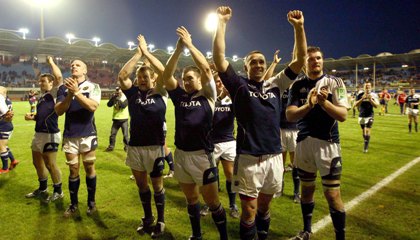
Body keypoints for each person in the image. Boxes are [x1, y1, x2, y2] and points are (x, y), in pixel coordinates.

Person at [213, 6, 307, 240]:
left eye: (261, 62)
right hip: (248, 159)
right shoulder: (239, 85)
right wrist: (222, 23)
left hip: (274, 157)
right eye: (253, 62)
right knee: (249, 211)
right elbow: (218, 58)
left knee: (265, 208)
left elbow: (300, 59)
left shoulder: (276, 84)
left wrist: (299, 28)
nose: (258, 65)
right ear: (246, 67)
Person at [163, 26, 227, 240]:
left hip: (202, 156)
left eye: (190, 78)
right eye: (185, 78)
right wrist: (178, 50)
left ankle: (224, 236)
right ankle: (196, 235)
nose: (186, 81)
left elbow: (207, 70)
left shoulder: (208, 94)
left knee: (213, 203)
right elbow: (166, 76)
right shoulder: (179, 96)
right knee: (191, 200)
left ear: (199, 80)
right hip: (181, 155)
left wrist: (189, 44)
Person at [286, 46, 350, 240]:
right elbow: (290, 115)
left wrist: (324, 103)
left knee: (332, 195)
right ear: (304, 63)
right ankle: (306, 231)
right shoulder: (297, 86)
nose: (316, 61)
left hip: (327, 144)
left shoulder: (335, 82)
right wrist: (310, 104)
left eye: (319, 58)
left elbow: (343, 115)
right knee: (307, 190)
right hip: (304, 143)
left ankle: (340, 237)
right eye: (311, 59)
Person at [118, 34, 168, 238]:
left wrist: (147, 53)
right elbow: (122, 76)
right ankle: (148, 218)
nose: (141, 80)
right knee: (141, 185)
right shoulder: (133, 94)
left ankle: (161, 220)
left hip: (154, 147)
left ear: (153, 78)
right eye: (139, 77)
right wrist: (137, 55)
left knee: (157, 185)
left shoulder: (162, 92)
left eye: (146, 77)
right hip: (135, 146)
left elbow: (165, 72)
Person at [55, 59, 101, 217]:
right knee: (73, 169)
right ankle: (73, 204)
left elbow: (92, 106)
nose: (74, 66)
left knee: (89, 168)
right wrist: (69, 94)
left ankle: (91, 202)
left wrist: (76, 92)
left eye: (78, 65)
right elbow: (59, 111)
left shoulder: (94, 86)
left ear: (85, 70)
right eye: (72, 65)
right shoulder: (63, 87)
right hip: (70, 135)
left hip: (87, 133)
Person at [25, 56, 64, 202]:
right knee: (37, 162)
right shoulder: (42, 97)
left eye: (43, 81)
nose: (40, 83)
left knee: (50, 163)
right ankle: (43, 188)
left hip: (50, 134)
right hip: (38, 134)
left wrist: (51, 62)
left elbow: (59, 77)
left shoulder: (54, 94)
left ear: (51, 83)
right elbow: (42, 115)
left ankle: (58, 191)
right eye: (40, 81)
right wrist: (33, 117)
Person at [201, 74, 239, 219]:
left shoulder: (232, 100)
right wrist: (220, 96)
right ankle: (209, 203)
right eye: (217, 81)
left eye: (222, 82)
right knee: (211, 175)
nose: (220, 84)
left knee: (230, 174)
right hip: (212, 142)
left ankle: (232, 204)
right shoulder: (210, 100)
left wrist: (231, 96)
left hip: (229, 141)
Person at [354, 82, 379, 153]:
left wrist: (370, 99)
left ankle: (366, 146)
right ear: (364, 87)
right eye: (366, 86)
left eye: (369, 86)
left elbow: (376, 106)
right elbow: (355, 104)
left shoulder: (373, 95)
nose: (367, 87)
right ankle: (366, 141)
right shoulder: (360, 95)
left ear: (371, 87)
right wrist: (362, 99)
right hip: (361, 115)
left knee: (367, 129)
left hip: (370, 115)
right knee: (363, 131)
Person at [0, 87, 18, 174]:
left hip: (3, 125)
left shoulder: (1, 100)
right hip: (7, 125)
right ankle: (13, 160)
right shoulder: (7, 99)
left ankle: (5, 168)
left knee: (1, 146)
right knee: (4, 145)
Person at [105, 86, 129, 152]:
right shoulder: (115, 97)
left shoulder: (126, 97)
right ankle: (111, 147)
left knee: (125, 135)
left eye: (119, 90)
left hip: (124, 119)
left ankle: (127, 147)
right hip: (116, 119)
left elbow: (123, 106)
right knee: (112, 134)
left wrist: (118, 98)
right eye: (117, 90)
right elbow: (109, 105)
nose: (117, 91)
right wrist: (113, 98)